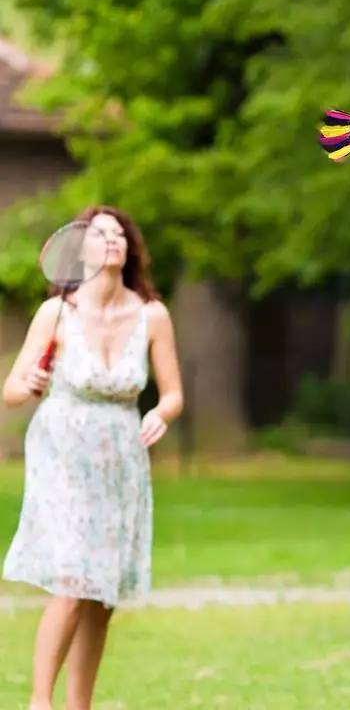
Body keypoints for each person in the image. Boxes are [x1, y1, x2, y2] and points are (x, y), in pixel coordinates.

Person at [2, 206, 183, 710]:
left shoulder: (152, 315)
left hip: (120, 458)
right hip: (61, 452)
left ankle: (79, 705)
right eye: (99, 234)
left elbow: (172, 393)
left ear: (130, 249)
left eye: (119, 234)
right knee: (73, 579)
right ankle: (41, 702)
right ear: (79, 248)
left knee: (101, 595)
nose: (111, 241)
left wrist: (161, 414)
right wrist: (29, 383)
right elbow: (11, 389)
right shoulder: (57, 313)